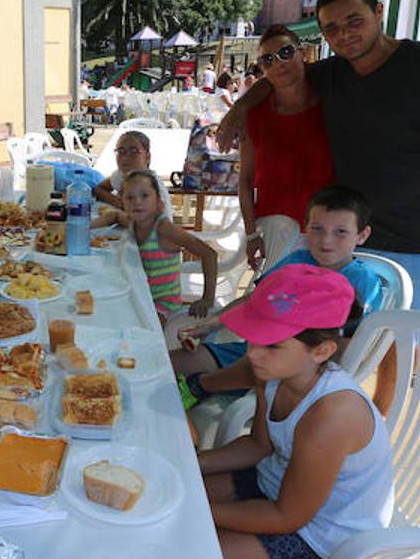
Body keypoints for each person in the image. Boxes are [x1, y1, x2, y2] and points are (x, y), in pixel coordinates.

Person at [217, 0, 420, 310]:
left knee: (401, 335)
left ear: (379, 12)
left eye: (354, 20)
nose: (344, 34)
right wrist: (239, 108)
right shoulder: (333, 73)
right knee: (344, 331)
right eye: (331, 28)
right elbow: (280, 76)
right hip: (349, 235)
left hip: (418, 233)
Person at [197, 264, 393, 559]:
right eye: (253, 338)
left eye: (272, 344)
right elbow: (259, 445)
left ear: (322, 351)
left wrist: (199, 513)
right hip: (274, 486)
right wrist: (191, 463)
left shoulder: (331, 416)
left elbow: (287, 517)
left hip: (323, 538)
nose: (253, 353)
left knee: (184, 551)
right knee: (168, 497)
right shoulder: (272, 372)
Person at [172, 185, 385, 412]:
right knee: (168, 365)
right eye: (317, 228)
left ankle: (201, 385)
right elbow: (255, 300)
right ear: (306, 228)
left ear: (362, 235)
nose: (326, 240)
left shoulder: (362, 282)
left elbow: (350, 348)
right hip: (250, 351)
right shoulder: (297, 260)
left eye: (340, 231)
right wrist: (209, 325)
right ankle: (199, 386)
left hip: (295, 371)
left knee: (267, 361)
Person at [237, 25, 335, 271]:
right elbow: (245, 180)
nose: (278, 63)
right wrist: (251, 234)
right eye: (268, 59)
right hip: (275, 233)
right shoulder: (255, 116)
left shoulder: (332, 106)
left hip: (328, 234)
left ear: (302, 53)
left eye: (286, 52)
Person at [101, 169, 216, 325]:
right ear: (123, 202)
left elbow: (209, 254)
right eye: (130, 197)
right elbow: (113, 216)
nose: (137, 202)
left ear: (158, 200)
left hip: (162, 304)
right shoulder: (133, 222)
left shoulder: (164, 229)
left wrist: (207, 299)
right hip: (137, 294)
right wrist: (85, 227)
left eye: (144, 196)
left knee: (141, 333)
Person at [92, 130, 172, 215]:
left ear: (147, 156)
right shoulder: (122, 175)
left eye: (134, 152)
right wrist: (117, 202)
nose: (125, 157)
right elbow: (99, 189)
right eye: (120, 151)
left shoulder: (154, 188)